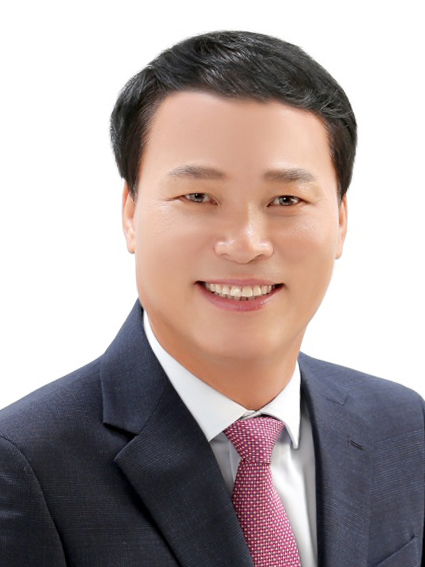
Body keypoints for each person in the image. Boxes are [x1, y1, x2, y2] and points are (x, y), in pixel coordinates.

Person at [0, 30, 423, 567]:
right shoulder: (25, 466)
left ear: (340, 220)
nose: (245, 244)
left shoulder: (403, 428)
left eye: (286, 199)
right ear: (130, 213)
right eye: (198, 196)